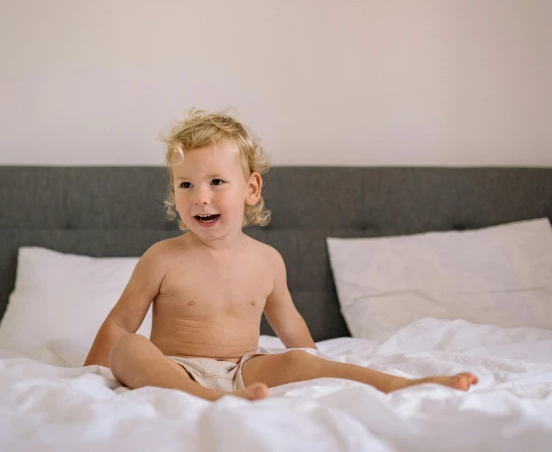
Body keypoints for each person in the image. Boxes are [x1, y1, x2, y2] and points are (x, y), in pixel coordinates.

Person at [84, 109, 478, 401]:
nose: (200, 196)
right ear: (174, 195)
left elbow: (292, 328)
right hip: (174, 369)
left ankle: (400, 385)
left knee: (298, 360)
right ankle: (209, 400)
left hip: (245, 370)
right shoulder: (162, 257)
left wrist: (312, 363)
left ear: (251, 188)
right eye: (185, 184)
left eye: (216, 181)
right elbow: (119, 325)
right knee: (129, 349)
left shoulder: (268, 260)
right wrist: (86, 379)